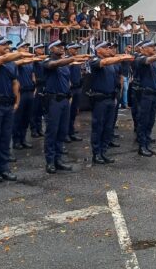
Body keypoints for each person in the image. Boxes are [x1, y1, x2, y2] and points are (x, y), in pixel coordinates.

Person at [0, 37, 29, 182]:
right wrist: (21, 54)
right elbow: (1, 60)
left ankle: (4, 168)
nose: (6, 46)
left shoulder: (11, 64)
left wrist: (17, 100)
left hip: (7, 105)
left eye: (8, 44)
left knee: (5, 138)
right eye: (3, 45)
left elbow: (15, 82)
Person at [43, 40, 89, 173]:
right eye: (58, 46)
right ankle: (50, 161)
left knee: (62, 131)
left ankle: (58, 160)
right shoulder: (47, 61)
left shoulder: (65, 64)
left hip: (64, 100)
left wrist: (68, 96)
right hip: (53, 100)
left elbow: (67, 81)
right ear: (51, 49)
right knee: (52, 131)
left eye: (62, 46)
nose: (61, 48)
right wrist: (71, 59)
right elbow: (55, 64)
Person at [88, 41, 132, 163]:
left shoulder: (112, 64)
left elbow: (117, 79)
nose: (108, 49)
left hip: (110, 97)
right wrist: (120, 57)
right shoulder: (95, 60)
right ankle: (96, 153)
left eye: (108, 48)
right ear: (98, 50)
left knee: (108, 127)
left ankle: (103, 151)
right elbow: (104, 62)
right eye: (104, 48)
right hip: (100, 99)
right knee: (98, 127)